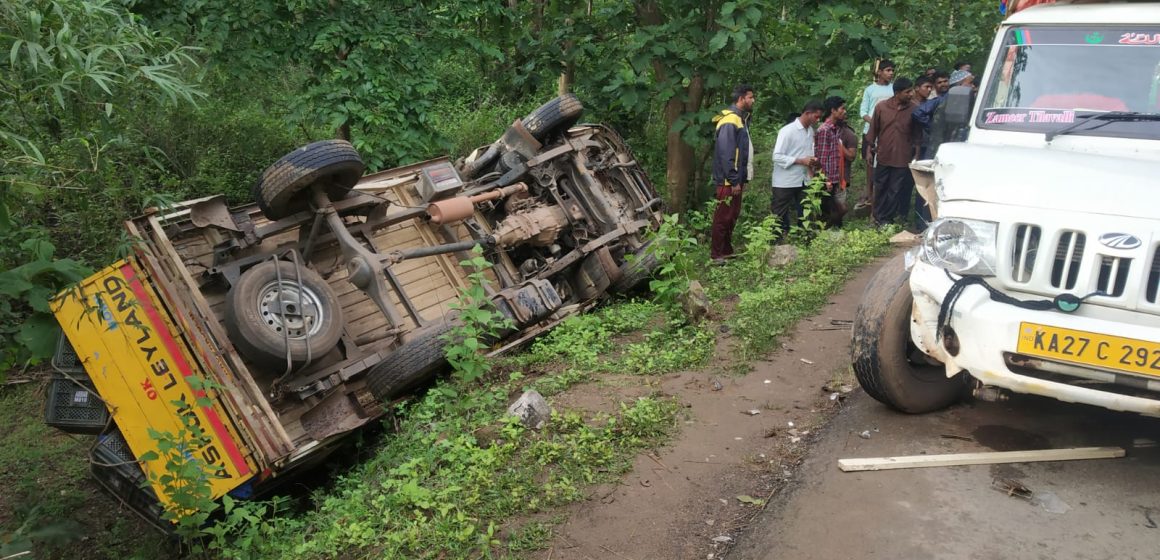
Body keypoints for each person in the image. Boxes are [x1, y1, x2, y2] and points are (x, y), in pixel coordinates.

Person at [709, 84, 755, 264]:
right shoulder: (730, 121)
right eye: (750, 97)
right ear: (741, 98)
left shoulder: (740, 119)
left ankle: (726, 251)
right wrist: (734, 180)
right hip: (728, 181)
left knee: (732, 216)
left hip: (736, 180)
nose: (753, 100)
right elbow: (727, 153)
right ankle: (716, 255)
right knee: (723, 217)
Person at [865, 77, 919, 226]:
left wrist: (916, 155)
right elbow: (873, 131)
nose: (911, 94)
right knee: (880, 186)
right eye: (908, 91)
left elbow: (917, 135)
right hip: (883, 155)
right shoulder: (881, 107)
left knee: (895, 190)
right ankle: (876, 217)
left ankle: (885, 219)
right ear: (898, 93)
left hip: (902, 157)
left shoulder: (914, 109)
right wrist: (869, 151)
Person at [771, 100, 823, 242]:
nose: (817, 120)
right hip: (785, 180)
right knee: (779, 215)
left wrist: (812, 162)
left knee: (805, 212)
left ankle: (804, 241)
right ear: (807, 113)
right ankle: (775, 245)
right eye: (816, 117)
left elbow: (807, 153)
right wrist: (800, 160)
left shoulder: (810, 131)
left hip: (804, 179)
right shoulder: (787, 131)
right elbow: (776, 156)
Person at [856, 59, 895, 212]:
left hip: (889, 133)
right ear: (879, 72)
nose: (891, 73)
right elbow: (863, 112)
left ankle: (882, 195)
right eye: (888, 70)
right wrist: (875, 123)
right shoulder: (870, 90)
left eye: (892, 71)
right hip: (871, 132)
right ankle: (869, 193)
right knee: (870, 164)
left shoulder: (894, 89)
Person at [814, 96, 852, 227]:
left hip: (835, 178)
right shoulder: (824, 130)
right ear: (833, 110)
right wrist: (825, 179)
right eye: (842, 108)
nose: (844, 111)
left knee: (836, 211)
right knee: (831, 211)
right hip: (827, 179)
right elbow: (822, 157)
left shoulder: (834, 129)